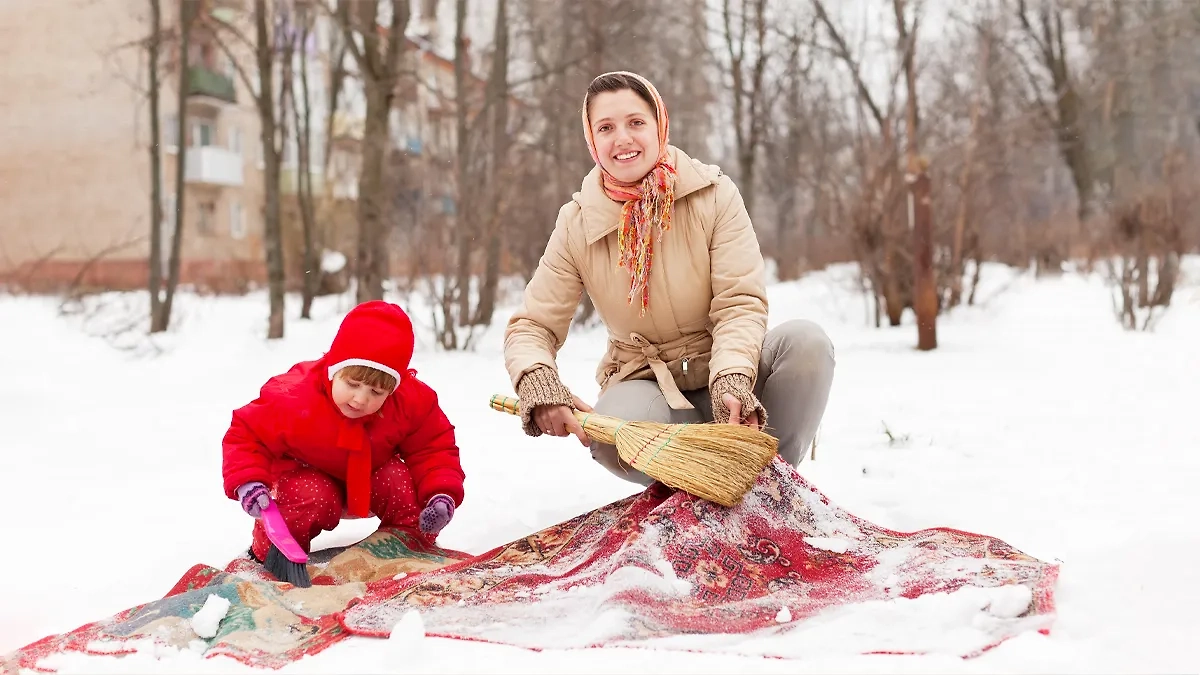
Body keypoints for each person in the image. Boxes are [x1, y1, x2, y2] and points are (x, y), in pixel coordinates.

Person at [503, 70, 836, 486]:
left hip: (729, 374)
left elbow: (740, 303)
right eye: (606, 127)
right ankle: (697, 489)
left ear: (660, 124)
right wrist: (538, 381)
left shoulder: (713, 195)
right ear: (592, 140)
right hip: (648, 385)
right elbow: (533, 325)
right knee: (611, 435)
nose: (622, 138)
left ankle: (770, 485)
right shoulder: (577, 223)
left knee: (808, 344)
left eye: (636, 122)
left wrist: (732, 377)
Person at [222, 300, 465, 562]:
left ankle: (408, 546)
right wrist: (248, 482)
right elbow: (247, 434)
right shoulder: (293, 397)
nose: (360, 400)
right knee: (311, 493)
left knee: (398, 479)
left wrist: (441, 493)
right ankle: (273, 555)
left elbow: (434, 447)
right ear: (333, 370)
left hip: (368, 475)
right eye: (352, 384)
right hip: (307, 480)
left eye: (376, 392)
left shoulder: (411, 402)